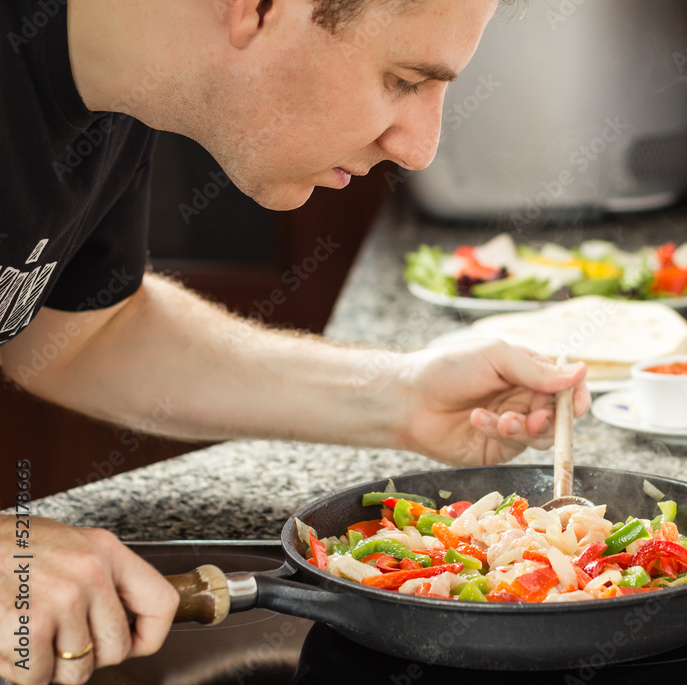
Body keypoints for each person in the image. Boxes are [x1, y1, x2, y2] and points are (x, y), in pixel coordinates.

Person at [0, 0, 591, 682]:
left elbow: (81, 331)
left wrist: (398, 396)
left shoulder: (117, 94)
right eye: (404, 79)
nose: (420, 147)